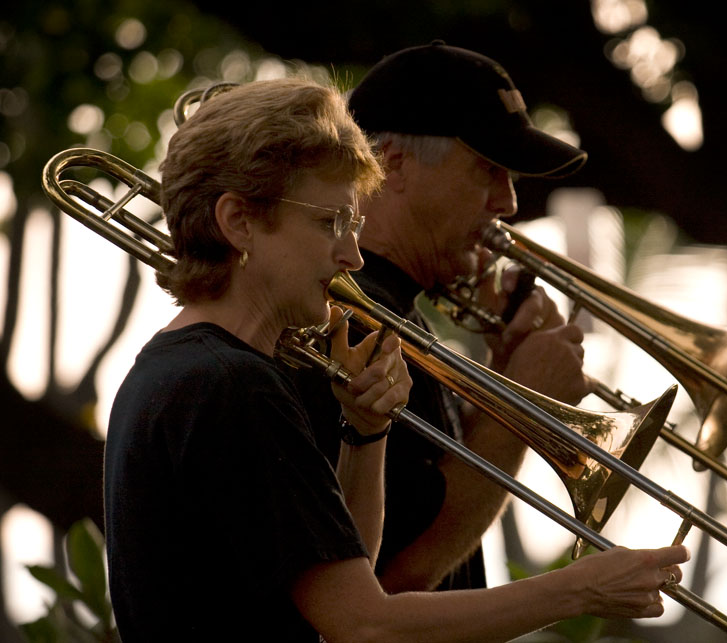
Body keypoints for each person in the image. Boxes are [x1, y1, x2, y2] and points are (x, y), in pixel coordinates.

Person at [102, 77, 688, 642]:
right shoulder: (231, 383)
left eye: (354, 224)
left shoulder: (184, 368)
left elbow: (342, 586)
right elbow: (365, 627)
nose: (353, 255)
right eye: (330, 222)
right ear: (239, 222)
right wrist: (577, 591)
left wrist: (365, 435)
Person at [302, 41, 599, 594]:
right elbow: (399, 576)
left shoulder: (393, 310)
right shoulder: (350, 316)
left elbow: (423, 490)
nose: (507, 202)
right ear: (391, 166)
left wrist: (504, 371)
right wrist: (524, 406)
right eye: (490, 169)